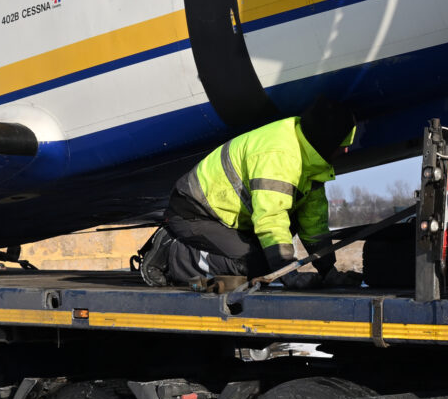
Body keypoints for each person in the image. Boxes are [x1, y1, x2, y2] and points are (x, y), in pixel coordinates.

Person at [136, 99, 356, 288]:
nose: (346, 150)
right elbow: (271, 218)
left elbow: (313, 224)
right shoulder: (279, 155)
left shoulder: (311, 162)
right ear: (326, 141)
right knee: (255, 266)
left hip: (230, 218)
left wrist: (328, 271)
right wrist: (286, 273)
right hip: (194, 213)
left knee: (276, 249)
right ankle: (172, 251)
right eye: (343, 144)